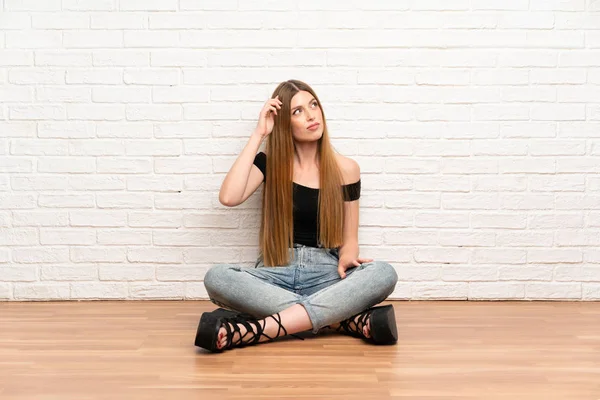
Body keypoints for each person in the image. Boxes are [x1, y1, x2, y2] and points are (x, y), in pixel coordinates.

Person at [195, 79, 398, 353]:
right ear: (284, 124)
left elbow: (350, 240)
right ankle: (345, 320)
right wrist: (258, 134)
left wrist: (349, 256)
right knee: (216, 277)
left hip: (326, 273)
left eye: (313, 105)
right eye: (298, 111)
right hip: (274, 270)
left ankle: (256, 330)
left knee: (384, 273)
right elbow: (229, 197)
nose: (311, 115)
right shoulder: (270, 163)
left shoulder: (346, 169)